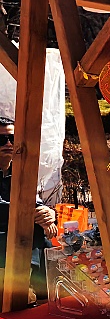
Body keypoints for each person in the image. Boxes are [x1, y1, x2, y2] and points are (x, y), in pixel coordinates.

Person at [0, 117, 58, 301]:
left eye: (12, 138)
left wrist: (47, 214)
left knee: (43, 236)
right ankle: (25, 290)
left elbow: (33, 200)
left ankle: (41, 292)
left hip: (19, 233)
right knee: (28, 230)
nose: (8, 144)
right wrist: (30, 214)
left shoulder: (19, 170)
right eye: (1, 140)